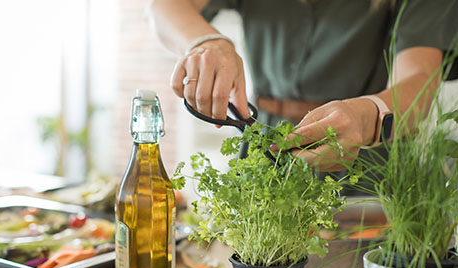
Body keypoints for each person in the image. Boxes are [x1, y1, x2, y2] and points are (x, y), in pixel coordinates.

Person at [149, 0, 457, 171]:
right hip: (264, 146)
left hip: (363, 160)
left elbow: (418, 85)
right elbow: (164, 6)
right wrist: (206, 43)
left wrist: (367, 116)